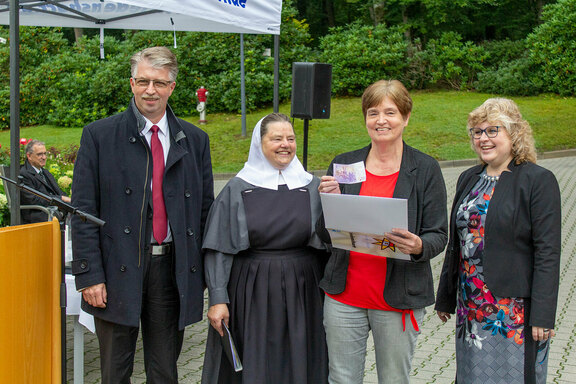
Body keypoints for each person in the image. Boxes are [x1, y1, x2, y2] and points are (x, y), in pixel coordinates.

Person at [71, 46, 214, 384]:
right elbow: (83, 212)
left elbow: (206, 211)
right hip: (116, 268)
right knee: (115, 371)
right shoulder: (99, 136)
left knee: (165, 370)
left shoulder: (195, 140)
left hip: (171, 270)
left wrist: (205, 275)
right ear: (131, 83)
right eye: (144, 81)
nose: (151, 90)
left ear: (172, 88)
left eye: (160, 83)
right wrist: (89, 275)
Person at [317, 79, 448, 384]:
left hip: (398, 298)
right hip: (345, 297)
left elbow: (438, 234)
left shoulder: (425, 169)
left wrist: (418, 246)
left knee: (393, 379)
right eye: (373, 112)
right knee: (342, 378)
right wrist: (328, 203)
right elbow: (324, 234)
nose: (381, 120)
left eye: (390, 112)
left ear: (405, 117)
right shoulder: (344, 164)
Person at [435, 98, 561, 383]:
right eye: (477, 132)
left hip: (512, 309)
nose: (483, 138)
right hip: (471, 304)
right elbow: (457, 243)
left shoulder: (537, 180)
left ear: (514, 134)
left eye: (493, 130)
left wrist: (543, 313)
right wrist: (445, 297)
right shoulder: (469, 178)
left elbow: (548, 252)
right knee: (472, 375)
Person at [201, 112, 329, 384]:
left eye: (290, 138)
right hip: (252, 289)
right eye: (277, 138)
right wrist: (217, 298)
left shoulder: (313, 186)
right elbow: (218, 249)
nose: (286, 144)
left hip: (304, 288)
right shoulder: (238, 189)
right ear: (260, 144)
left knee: (303, 357)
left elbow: (329, 243)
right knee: (257, 361)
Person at [20, 139, 70, 223]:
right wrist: (60, 199)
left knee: (81, 209)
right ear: (29, 156)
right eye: (39, 154)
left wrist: (69, 200)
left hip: (51, 209)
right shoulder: (24, 174)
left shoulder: (45, 172)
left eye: (44, 153)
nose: (44, 157)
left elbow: (59, 192)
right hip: (38, 213)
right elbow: (34, 200)